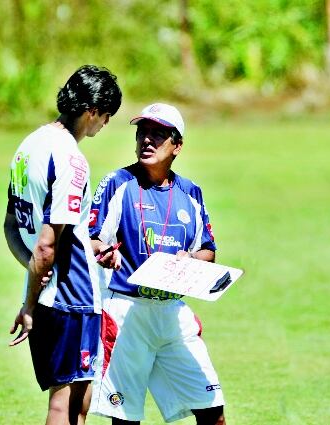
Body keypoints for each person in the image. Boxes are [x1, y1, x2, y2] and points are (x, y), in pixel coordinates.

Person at [88, 103, 226, 425]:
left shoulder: (191, 192)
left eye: (158, 134)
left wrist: (190, 259)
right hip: (126, 313)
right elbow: (91, 238)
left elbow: (208, 250)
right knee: (125, 418)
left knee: (213, 410)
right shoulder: (117, 182)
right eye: (142, 133)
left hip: (173, 314)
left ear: (177, 146)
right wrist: (104, 251)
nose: (147, 140)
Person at [3, 64, 123, 425]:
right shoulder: (70, 159)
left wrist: (35, 277)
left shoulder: (27, 147)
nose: (106, 124)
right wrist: (29, 304)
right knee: (67, 407)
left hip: (47, 292)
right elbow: (46, 245)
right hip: (72, 297)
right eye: (107, 115)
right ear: (92, 111)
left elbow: (11, 226)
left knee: (73, 404)